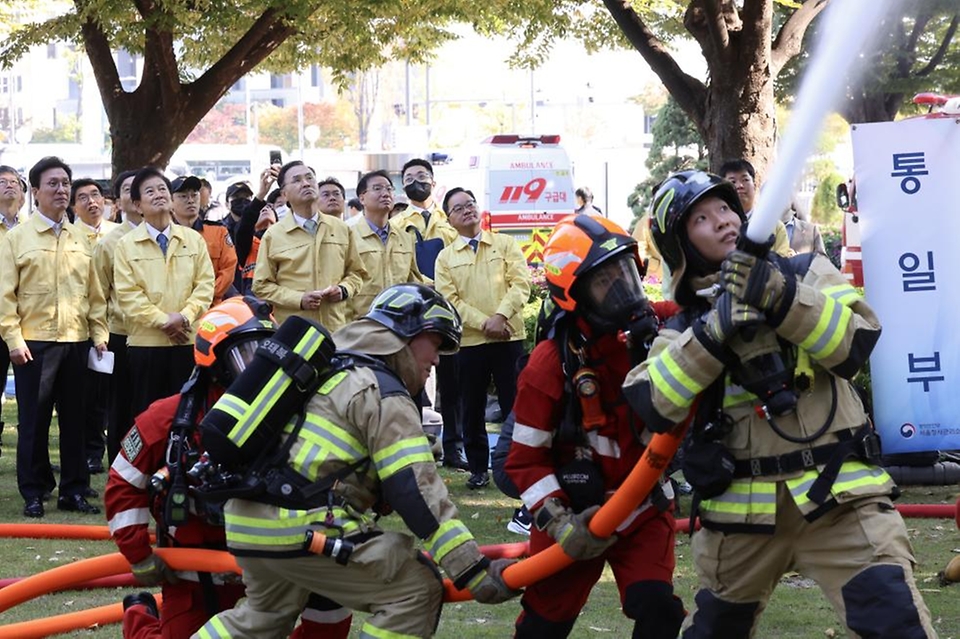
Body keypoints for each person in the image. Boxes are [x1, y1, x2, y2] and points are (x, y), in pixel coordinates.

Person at [623, 170, 937, 637]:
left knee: (895, 624)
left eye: (726, 208)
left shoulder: (805, 272)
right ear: (681, 249)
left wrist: (779, 296)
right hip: (740, 525)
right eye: (702, 219)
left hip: (841, 505)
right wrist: (715, 331)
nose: (724, 221)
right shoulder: (683, 325)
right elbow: (651, 401)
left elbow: (856, 342)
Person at [194, 284, 519, 639]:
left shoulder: (326, 371)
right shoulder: (383, 391)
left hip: (248, 523)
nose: (437, 360)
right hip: (301, 525)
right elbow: (416, 489)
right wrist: (469, 568)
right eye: (436, 344)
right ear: (406, 336)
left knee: (261, 618)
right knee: (415, 589)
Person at [107, 297, 352, 639]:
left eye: (266, 355)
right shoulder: (170, 420)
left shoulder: (295, 417)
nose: (258, 370)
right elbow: (124, 482)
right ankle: (139, 612)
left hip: (279, 564)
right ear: (215, 361)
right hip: (197, 574)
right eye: (248, 356)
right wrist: (139, 555)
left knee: (330, 617)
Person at [504, 214, 684, 637]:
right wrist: (561, 524)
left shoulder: (657, 327)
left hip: (642, 507)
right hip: (574, 514)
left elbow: (705, 312)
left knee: (659, 608)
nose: (622, 290)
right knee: (543, 626)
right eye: (605, 281)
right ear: (575, 295)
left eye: (625, 272)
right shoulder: (549, 365)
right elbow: (524, 463)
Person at [0, 156, 109, 518]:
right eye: (53, 183)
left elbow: (95, 294)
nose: (61, 190)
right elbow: (4, 296)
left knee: (76, 420)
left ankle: (74, 490)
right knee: (34, 420)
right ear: (35, 191)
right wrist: (14, 340)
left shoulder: (82, 237)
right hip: (35, 343)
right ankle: (34, 490)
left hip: (76, 341)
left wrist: (99, 334)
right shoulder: (17, 238)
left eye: (65, 183)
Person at [435, 187, 531, 489]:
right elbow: (450, 300)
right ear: (450, 219)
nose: (467, 210)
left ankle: (518, 464)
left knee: (516, 404)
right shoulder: (445, 257)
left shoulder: (504, 244)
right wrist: (485, 323)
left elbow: (521, 284)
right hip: (471, 343)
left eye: (471, 203)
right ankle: (478, 468)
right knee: (471, 407)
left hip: (508, 337)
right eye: (459, 207)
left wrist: (500, 317)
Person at [114, 167, 215, 418]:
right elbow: (128, 296)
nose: (158, 194)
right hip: (146, 345)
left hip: (188, 341)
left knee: (189, 413)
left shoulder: (193, 240)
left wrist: (183, 317)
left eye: (162, 189)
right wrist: (165, 322)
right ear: (138, 205)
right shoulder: (125, 245)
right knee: (149, 417)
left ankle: (185, 459)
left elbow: (204, 286)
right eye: (150, 191)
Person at [391, 158, 466, 471]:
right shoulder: (397, 225)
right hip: (411, 311)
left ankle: (454, 448)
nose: (415, 181)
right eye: (409, 177)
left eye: (422, 175)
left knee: (452, 382)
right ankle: (412, 448)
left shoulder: (449, 223)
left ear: (434, 183)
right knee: (409, 381)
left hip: (448, 309)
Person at [252, 161, 367, 333]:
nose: (306, 183)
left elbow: (357, 273)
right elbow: (261, 286)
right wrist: (298, 299)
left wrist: (343, 290)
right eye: (297, 180)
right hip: (295, 330)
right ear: (284, 195)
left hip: (336, 329)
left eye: (309, 178)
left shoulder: (340, 228)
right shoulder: (274, 235)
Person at [71, 177, 122, 474]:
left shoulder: (118, 235)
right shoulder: (69, 235)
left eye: (96, 195)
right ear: (74, 206)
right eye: (83, 197)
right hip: (81, 324)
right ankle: (90, 451)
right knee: (87, 395)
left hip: (115, 323)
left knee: (110, 393)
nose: (92, 202)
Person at [93, 169, 141, 464]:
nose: (136, 195)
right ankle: (121, 472)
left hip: (164, 337)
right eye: (128, 189)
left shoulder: (174, 237)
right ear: (119, 202)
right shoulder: (109, 243)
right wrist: (100, 336)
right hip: (122, 335)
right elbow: (98, 295)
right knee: (121, 410)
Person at [348, 170, 423, 321]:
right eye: (377, 188)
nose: (385, 193)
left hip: (400, 323)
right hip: (361, 324)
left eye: (389, 189)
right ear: (362, 198)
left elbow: (414, 282)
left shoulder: (405, 237)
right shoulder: (348, 237)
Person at [171, 175, 239, 304]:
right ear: (170, 201)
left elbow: (228, 269)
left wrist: (202, 297)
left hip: (212, 309)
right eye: (183, 196)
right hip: (176, 309)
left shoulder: (218, 231)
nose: (190, 200)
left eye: (194, 195)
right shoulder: (164, 236)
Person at [0, 165, 26, 449]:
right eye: (2, 181)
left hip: (27, 321)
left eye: (14, 182)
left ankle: (30, 453)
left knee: (33, 394)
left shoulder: (32, 228)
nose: (10, 185)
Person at [718, 159, 791, 257]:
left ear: (755, 185)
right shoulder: (718, 225)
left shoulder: (775, 226)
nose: (740, 186)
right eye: (733, 181)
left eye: (745, 180)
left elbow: (782, 263)